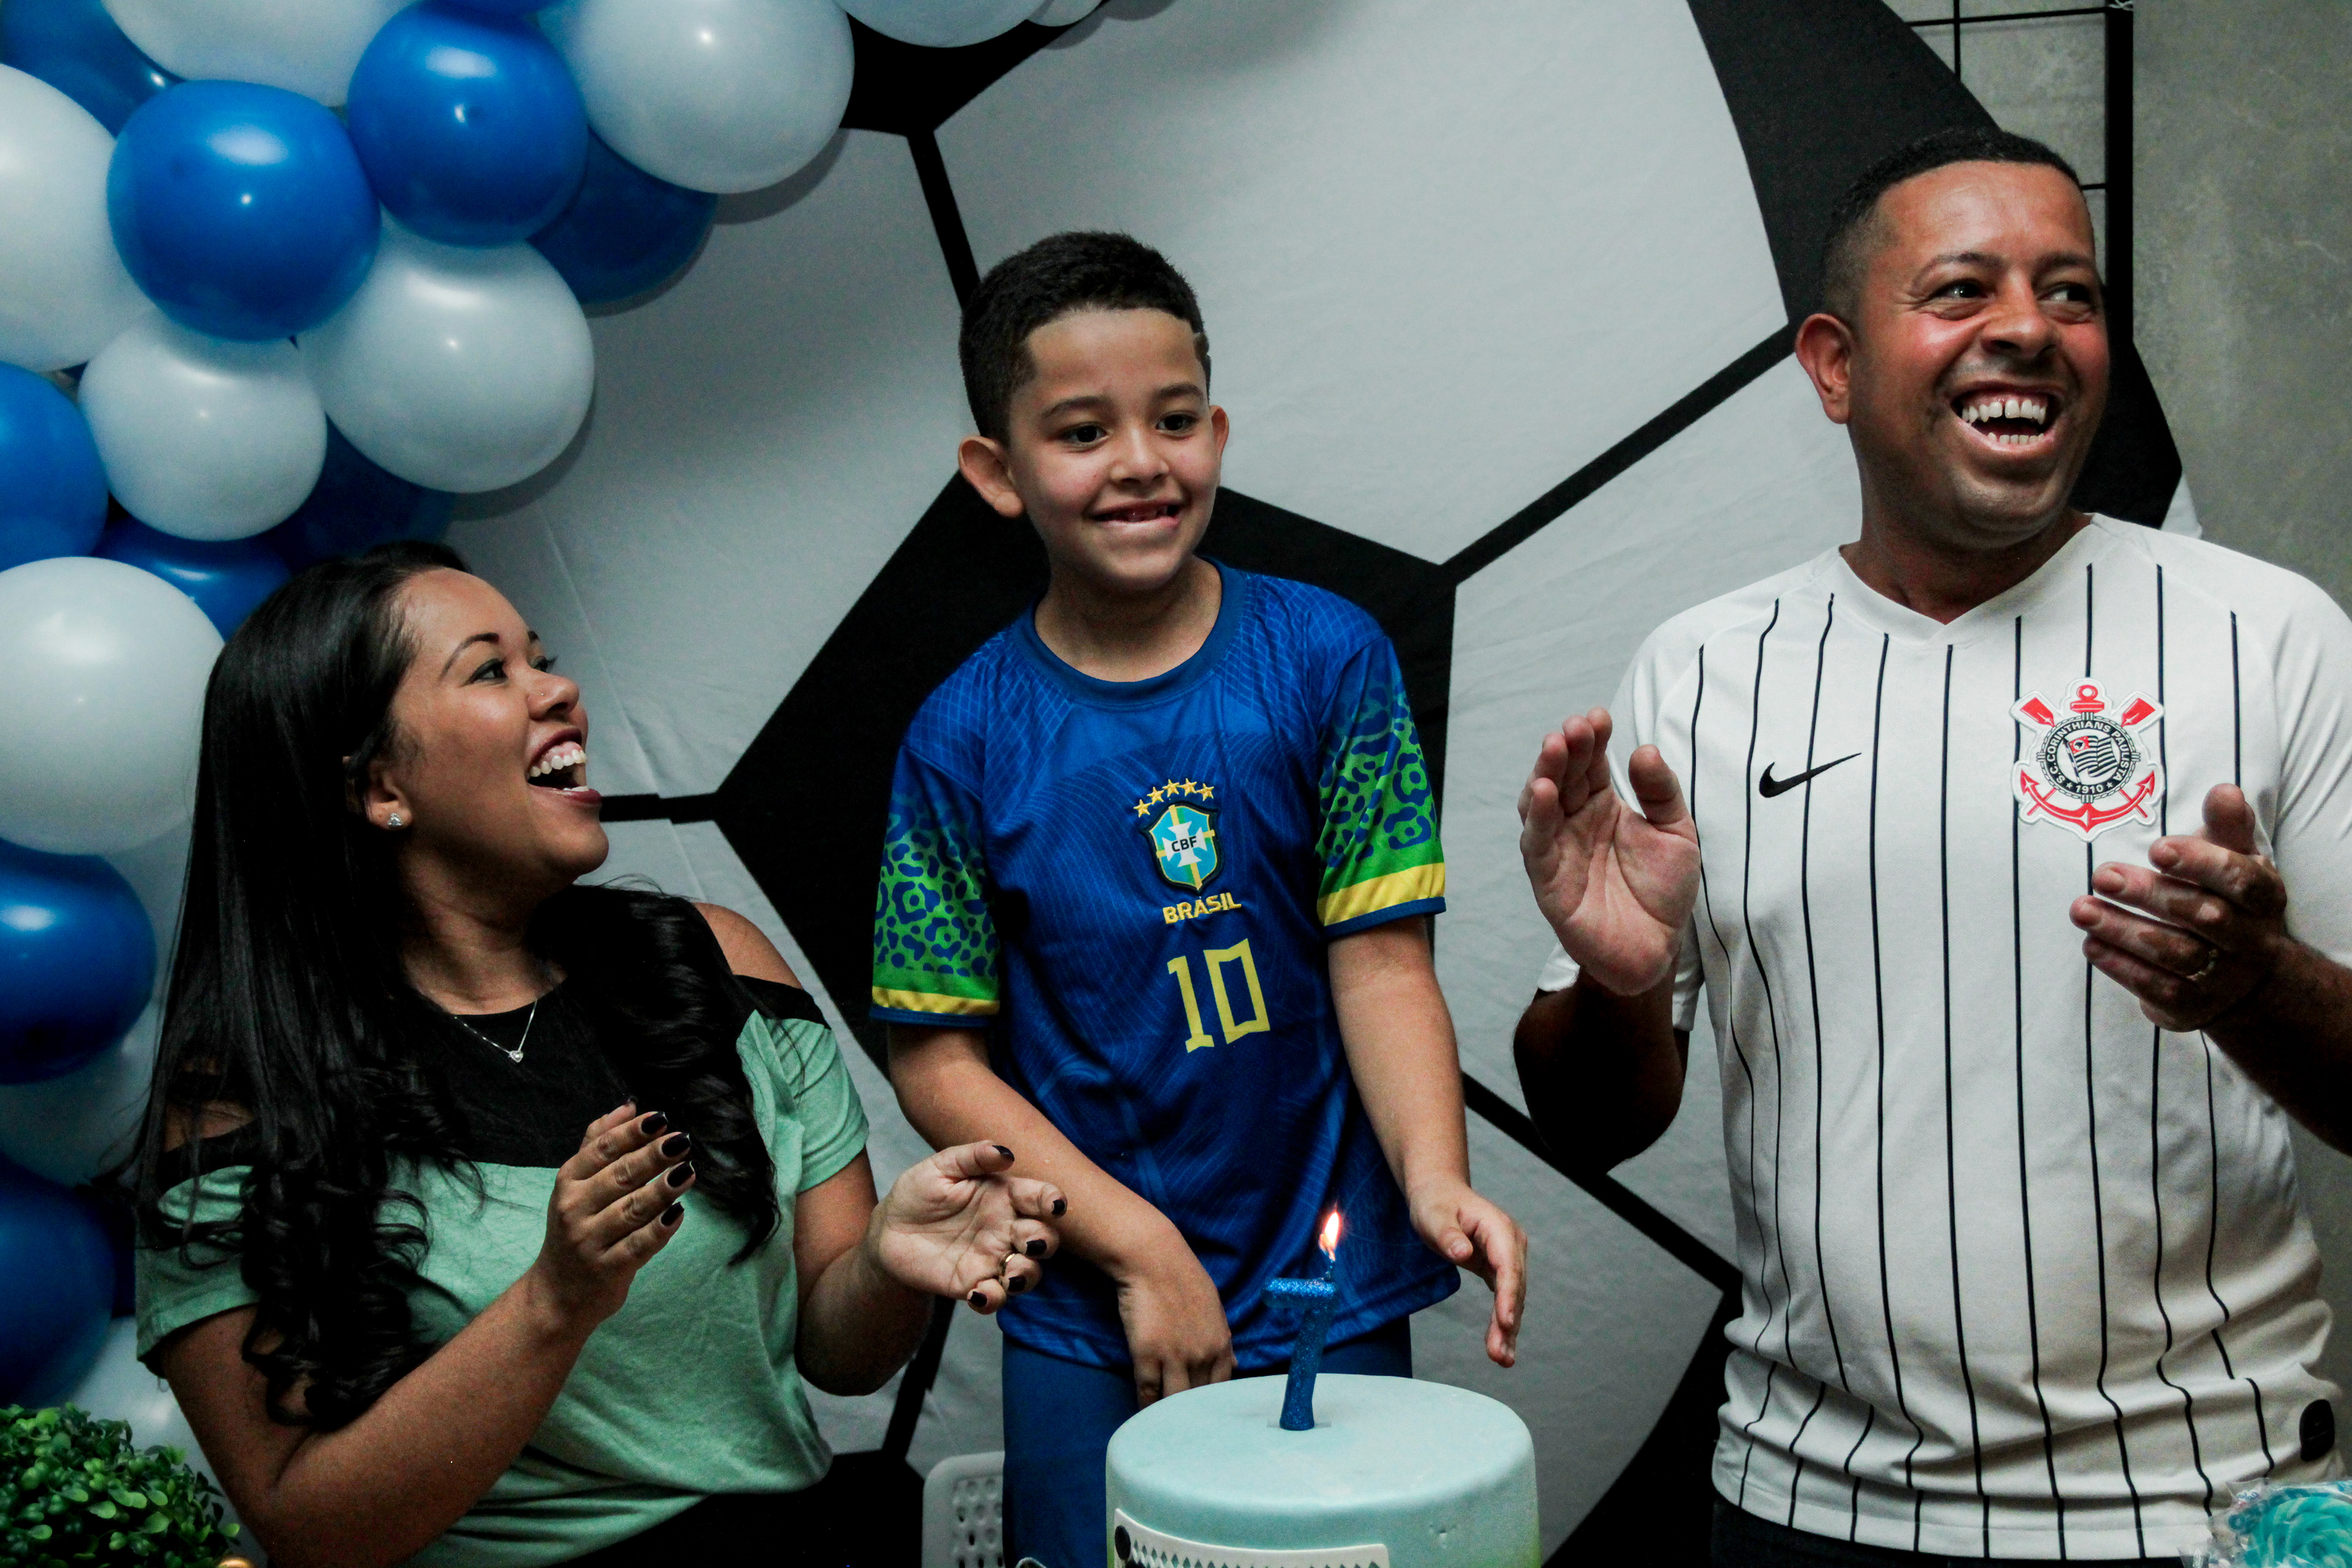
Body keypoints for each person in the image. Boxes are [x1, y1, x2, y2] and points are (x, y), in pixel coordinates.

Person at [1513, 127, 2352, 1566]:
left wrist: (2254, 982)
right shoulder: (1703, 669)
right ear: (1834, 365)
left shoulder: (2268, 634)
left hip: (2203, 1501)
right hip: (1806, 1501)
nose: (2029, 326)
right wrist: (1621, 980)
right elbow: (1591, 1121)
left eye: (2070, 293)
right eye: (1964, 288)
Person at [131, 541, 1066, 1568]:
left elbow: (839, 1358)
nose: (558, 690)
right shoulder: (244, 1100)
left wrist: (888, 1261)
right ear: (380, 786)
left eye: (541, 657)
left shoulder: (716, 966)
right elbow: (306, 1526)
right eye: (491, 671)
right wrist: (554, 1303)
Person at [876, 231, 1527, 1567]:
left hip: (1329, 1284)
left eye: (1174, 420)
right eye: (1082, 431)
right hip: (1085, 1305)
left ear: (1217, 433)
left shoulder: (1329, 658)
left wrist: (1436, 1174)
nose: (1140, 461)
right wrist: (1136, 1248)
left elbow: (1383, 963)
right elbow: (936, 1056)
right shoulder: (961, 735)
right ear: (997, 472)